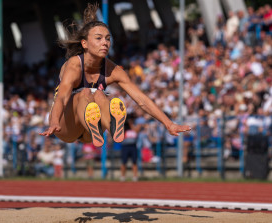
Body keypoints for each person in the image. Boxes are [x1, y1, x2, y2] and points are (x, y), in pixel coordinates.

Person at [40, 3, 191, 147]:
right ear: (84, 43)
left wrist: (169, 123)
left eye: (107, 38)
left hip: (91, 133)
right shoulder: (74, 65)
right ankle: (104, 124)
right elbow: (62, 97)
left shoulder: (114, 70)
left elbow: (141, 99)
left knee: (101, 95)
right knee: (86, 92)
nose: (105, 43)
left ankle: (111, 127)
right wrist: (54, 121)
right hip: (66, 126)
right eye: (98, 38)